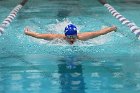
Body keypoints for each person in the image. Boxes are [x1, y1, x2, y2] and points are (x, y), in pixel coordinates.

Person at [24, 24, 117, 44]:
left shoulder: (83, 37)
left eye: (74, 37)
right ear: (65, 35)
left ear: (77, 35)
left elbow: (99, 33)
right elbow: (38, 35)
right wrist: (28, 33)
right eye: (69, 37)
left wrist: (112, 29)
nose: (72, 39)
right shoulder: (57, 38)